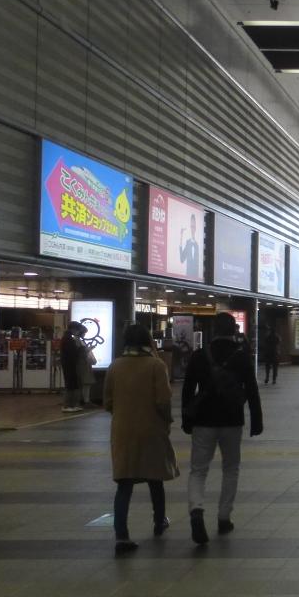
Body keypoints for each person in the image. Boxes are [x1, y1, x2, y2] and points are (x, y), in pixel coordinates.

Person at [181, 312, 263, 544]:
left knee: (198, 470)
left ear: (213, 330)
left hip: (203, 420)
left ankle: (196, 510)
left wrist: (186, 419)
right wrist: (256, 420)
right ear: (234, 330)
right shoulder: (241, 356)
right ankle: (224, 517)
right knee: (231, 468)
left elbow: (188, 389)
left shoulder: (199, 355)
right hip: (232, 419)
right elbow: (252, 389)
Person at [105, 324, 178, 555]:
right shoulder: (156, 365)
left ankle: (121, 535)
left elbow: (107, 402)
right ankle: (159, 521)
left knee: (124, 483)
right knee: (155, 477)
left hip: (122, 431)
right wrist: (167, 420)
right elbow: (163, 400)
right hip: (151, 428)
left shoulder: (115, 366)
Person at [60, 322, 85, 412]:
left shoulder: (67, 337)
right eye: (78, 330)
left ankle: (72, 405)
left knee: (72, 384)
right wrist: (80, 349)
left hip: (68, 364)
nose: (78, 332)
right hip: (69, 364)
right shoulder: (68, 339)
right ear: (74, 329)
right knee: (70, 385)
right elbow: (72, 353)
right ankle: (67, 406)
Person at [179, 213, 201, 279]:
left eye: (193, 226)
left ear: (195, 228)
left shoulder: (197, 245)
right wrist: (181, 236)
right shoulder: (188, 243)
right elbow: (182, 259)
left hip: (196, 278)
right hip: (188, 277)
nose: (192, 229)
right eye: (191, 226)